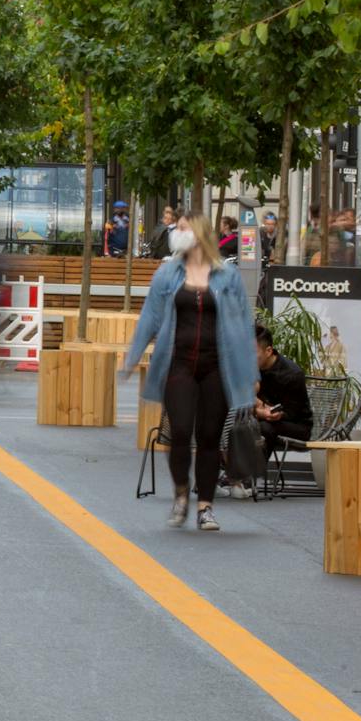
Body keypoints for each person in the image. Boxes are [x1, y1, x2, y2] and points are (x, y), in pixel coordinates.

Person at [122, 213, 257, 532]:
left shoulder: (228, 275)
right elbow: (150, 318)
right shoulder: (167, 274)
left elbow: (242, 324)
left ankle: (206, 507)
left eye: (182, 228)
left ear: (198, 234)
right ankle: (182, 493)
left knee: (210, 438)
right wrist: (132, 357)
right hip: (178, 362)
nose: (175, 233)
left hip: (217, 366)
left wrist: (250, 372)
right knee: (180, 430)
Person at [232, 324, 314, 499]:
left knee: (265, 427)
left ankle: (248, 477)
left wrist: (270, 414)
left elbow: (294, 413)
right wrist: (259, 410)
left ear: (268, 351)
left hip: (297, 425)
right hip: (263, 419)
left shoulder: (292, 374)